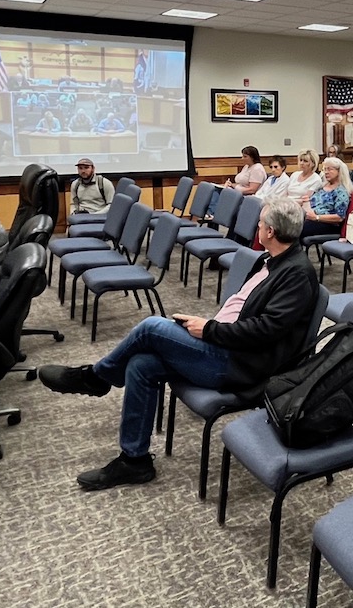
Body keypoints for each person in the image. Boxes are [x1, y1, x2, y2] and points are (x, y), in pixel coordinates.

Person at [36, 197, 319, 489]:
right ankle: (135, 461)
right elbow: (241, 311)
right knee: (141, 364)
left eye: (260, 223)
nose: (257, 227)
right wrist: (207, 325)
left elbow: (265, 331)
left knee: (150, 327)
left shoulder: (297, 274)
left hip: (241, 365)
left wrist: (208, 330)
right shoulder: (268, 260)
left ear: (270, 231)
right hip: (223, 343)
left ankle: (95, 378)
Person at [301, 156, 353, 238]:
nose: (326, 172)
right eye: (325, 169)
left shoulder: (341, 191)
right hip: (310, 218)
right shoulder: (322, 187)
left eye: (330, 169)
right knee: (286, 226)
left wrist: (316, 217)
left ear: (339, 171)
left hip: (327, 224)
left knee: (294, 230)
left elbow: (339, 217)